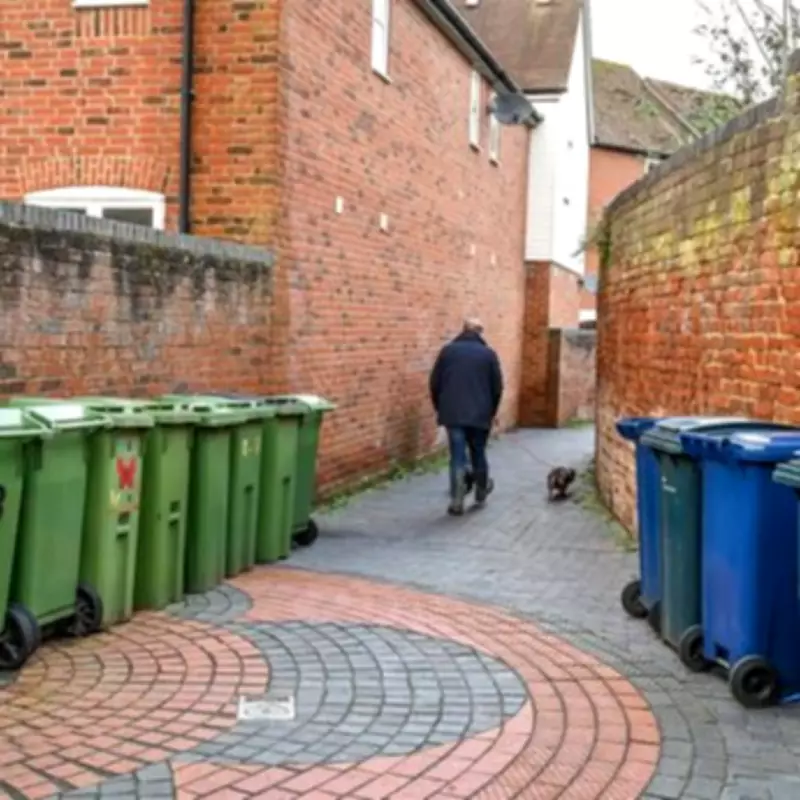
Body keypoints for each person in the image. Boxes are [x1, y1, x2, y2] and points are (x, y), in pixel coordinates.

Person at [429, 318, 504, 516]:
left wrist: (441, 407)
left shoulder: (448, 352)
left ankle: (456, 499)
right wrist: (492, 412)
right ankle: (480, 491)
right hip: (480, 415)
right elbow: (497, 387)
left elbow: (434, 383)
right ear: (480, 332)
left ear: (463, 330)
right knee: (478, 451)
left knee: (457, 456)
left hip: (452, 413)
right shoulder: (488, 355)